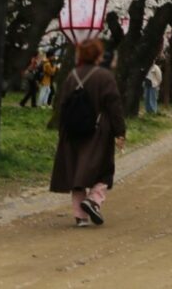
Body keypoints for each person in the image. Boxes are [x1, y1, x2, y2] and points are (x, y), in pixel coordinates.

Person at [50, 39, 127, 227]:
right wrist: (120, 132)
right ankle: (93, 200)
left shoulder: (71, 76)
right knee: (104, 169)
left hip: (72, 131)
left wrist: (62, 130)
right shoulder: (105, 77)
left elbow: (62, 104)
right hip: (97, 131)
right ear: (98, 55)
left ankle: (80, 216)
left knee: (76, 172)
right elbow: (114, 105)